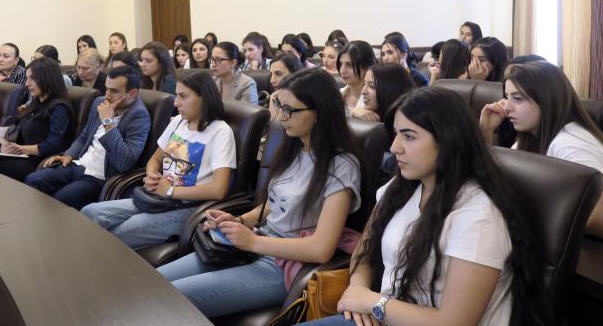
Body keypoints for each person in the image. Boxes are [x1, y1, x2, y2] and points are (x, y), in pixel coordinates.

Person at [305, 87, 552, 326]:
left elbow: (454, 322)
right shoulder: (404, 186)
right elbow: (364, 251)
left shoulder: (478, 216)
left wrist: (374, 303)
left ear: (448, 140)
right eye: (396, 134)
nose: (394, 147)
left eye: (409, 136)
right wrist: (358, 290)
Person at [157, 69, 363, 318]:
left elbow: (321, 249)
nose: (281, 116)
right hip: (256, 244)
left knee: (168, 299)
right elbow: (275, 204)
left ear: (318, 112)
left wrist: (252, 241)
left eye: (289, 110)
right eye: (280, 106)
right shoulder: (294, 147)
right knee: (155, 281)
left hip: (282, 265)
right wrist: (239, 220)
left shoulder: (341, 166)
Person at [82, 71, 236, 249]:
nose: (176, 103)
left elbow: (219, 189)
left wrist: (170, 191)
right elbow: (155, 160)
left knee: (116, 235)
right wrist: (152, 176)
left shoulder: (220, 132)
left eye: (183, 96)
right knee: (89, 212)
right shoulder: (178, 122)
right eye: (177, 95)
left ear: (204, 98)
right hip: (159, 198)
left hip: (188, 208)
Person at [480, 61, 603, 238]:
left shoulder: (570, 144)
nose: (507, 107)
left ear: (547, 100)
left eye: (517, 98)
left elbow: (600, 217)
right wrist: (486, 131)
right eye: (507, 97)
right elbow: (496, 179)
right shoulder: (531, 135)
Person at [24, 66, 150, 209]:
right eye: (106, 89)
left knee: (61, 199)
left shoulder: (139, 116)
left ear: (132, 93)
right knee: (33, 180)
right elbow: (84, 137)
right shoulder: (100, 102)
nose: (107, 96)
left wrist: (108, 122)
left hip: (100, 177)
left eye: (114, 91)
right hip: (79, 164)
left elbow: (124, 162)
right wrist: (69, 155)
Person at [0, 58, 74, 181]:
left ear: (47, 78)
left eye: (32, 78)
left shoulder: (59, 107)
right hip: (18, 155)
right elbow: (18, 131)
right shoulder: (35, 105)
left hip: (33, 162)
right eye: (27, 78)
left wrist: (19, 149)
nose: (27, 84)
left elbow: (52, 145)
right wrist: (5, 145)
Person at [350, 63, 416, 123]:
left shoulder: (408, 122)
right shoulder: (365, 114)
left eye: (372, 86)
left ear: (390, 89)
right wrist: (352, 112)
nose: (363, 91)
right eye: (364, 84)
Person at [338, 41, 376, 112]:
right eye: (340, 64)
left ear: (367, 67)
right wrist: (351, 112)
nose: (342, 70)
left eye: (350, 65)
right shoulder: (338, 93)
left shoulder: (374, 100)